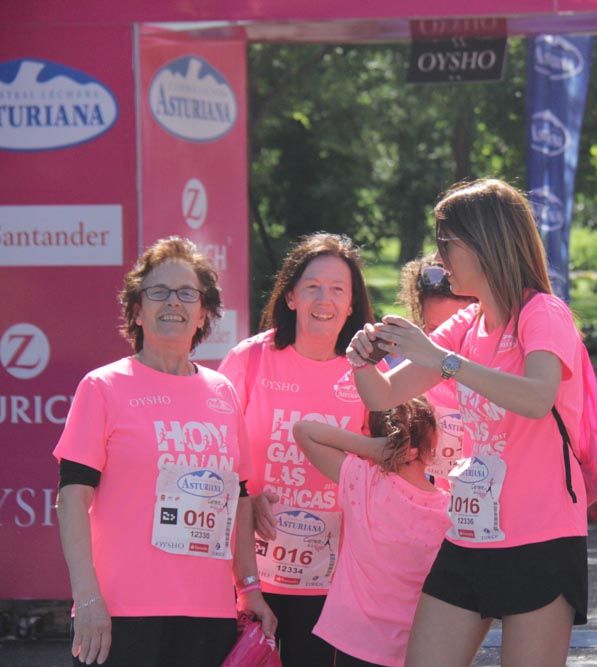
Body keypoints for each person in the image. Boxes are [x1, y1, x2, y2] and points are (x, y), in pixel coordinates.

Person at [348, 179, 591, 667]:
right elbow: (385, 393)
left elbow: (538, 397)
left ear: (485, 243)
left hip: (541, 537)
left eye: (446, 243)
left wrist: (444, 361)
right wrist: (362, 361)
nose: (439, 260)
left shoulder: (543, 313)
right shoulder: (467, 323)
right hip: (471, 533)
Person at [54, 237, 275, 667]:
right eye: (158, 291)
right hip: (121, 612)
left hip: (209, 614)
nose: (173, 301)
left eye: (187, 293)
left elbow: (239, 498)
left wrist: (248, 588)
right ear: (137, 310)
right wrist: (87, 598)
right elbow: (71, 499)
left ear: (204, 313)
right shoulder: (102, 387)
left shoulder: (223, 392)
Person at [218, 233, 377, 666]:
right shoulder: (250, 359)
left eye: (337, 289)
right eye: (312, 287)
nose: (324, 299)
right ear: (291, 297)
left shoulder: (368, 372)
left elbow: (386, 462)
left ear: (351, 304)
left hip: (333, 577)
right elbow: (217, 456)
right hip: (249, 572)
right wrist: (248, 499)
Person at [293, 397, 450, 667]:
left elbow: (304, 430)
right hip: (417, 646)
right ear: (433, 440)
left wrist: (372, 448)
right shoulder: (448, 509)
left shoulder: (364, 481)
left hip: (356, 641)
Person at [397, 254, 476, 488]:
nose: (448, 347)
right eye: (437, 331)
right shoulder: (411, 377)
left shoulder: (498, 374)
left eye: (462, 331)